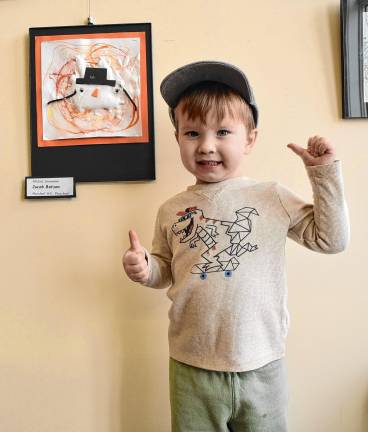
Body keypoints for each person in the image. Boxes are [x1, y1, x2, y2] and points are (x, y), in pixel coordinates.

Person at [122, 61, 350, 431]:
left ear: (250, 138)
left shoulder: (271, 197)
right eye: (192, 133)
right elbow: (166, 269)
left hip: (262, 365)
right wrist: (146, 268)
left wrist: (323, 173)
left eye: (223, 131)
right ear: (177, 137)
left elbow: (332, 239)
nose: (207, 145)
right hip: (190, 365)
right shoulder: (171, 211)